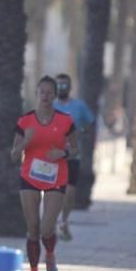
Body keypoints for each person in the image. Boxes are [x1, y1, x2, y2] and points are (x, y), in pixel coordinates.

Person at [13, 76, 78, 271]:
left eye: (50, 93)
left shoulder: (65, 120)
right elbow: (13, 155)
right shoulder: (25, 121)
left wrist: (63, 151)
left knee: (47, 227)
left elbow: (76, 149)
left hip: (56, 177)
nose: (46, 96)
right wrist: (24, 144)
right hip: (29, 177)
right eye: (42, 92)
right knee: (32, 228)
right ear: (37, 94)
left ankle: (50, 253)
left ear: (55, 95)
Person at [52, 73, 95, 241]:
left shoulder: (79, 106)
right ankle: (53, 221)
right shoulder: (51, 106)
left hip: (72, 155)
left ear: (70, 88)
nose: (62, 88)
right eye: (59, 85)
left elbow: (91, 123)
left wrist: (81, 133)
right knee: (55, 191)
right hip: (53, 156)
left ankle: (64, 220)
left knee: (69, 190)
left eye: (64, 85)